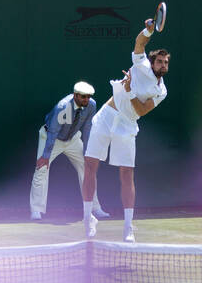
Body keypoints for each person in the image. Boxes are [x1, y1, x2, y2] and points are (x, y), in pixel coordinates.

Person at [82, 15, 169, 242]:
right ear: (152, 62)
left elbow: (141, 110)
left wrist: (129, 90)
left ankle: (128, 227)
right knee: (90, 165)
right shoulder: (140, 64)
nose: (163, 65)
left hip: (128, 125)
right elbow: (140, 43)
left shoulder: (162, 91)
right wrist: (148, 30)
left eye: (166, 63)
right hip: (106, 116)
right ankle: (87, 219)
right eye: (160, 61)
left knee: (126, 174)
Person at [30, 81, 109, 221]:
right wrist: (46, 156)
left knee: (87, 168)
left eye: (88, 96)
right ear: (75, 95)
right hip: (50, 137)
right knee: (41, 168)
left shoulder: (91, 105)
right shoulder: (62, 107)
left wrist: (87, 153)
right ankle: (36, 210)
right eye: (83, 97)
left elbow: (87, 129)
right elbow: (53, 132)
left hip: (72, 139)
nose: (86, 99)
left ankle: (95, 208)